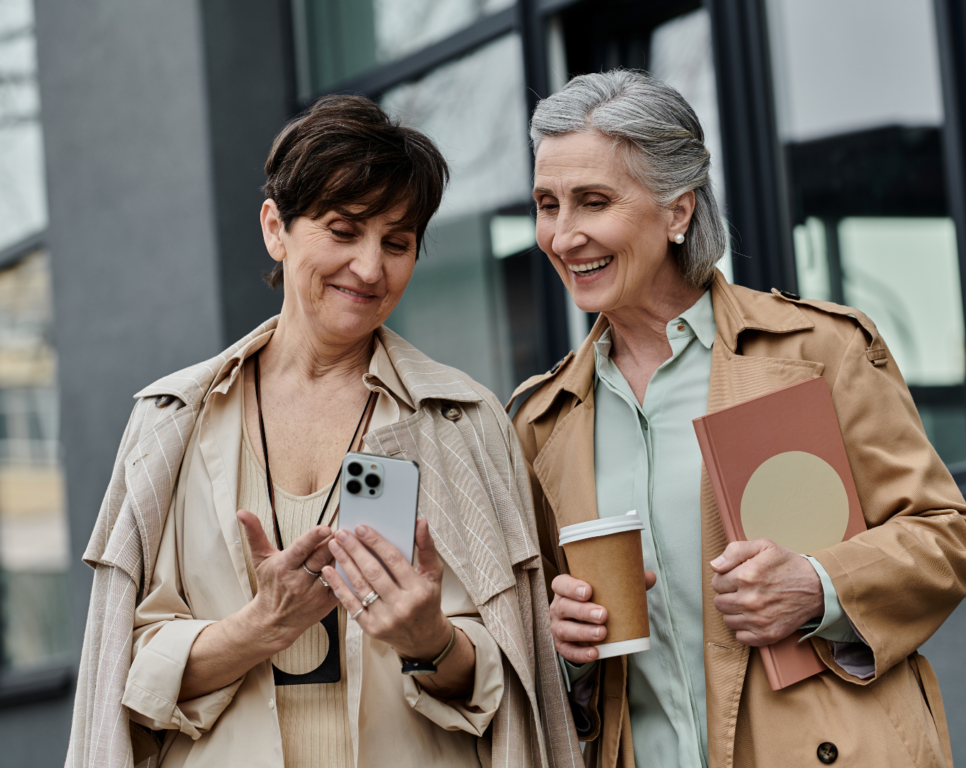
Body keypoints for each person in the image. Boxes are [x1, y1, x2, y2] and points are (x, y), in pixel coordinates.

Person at [67, 95, 582, 768]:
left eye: (396, 244)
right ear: (275, 228)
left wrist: (431, 641)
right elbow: (120, 676)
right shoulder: (173, 423)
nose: (370, 268)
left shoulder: (465, 421)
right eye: (344, 231)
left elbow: (518, 684)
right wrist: (259, 628)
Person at [510, 70, 966, 768]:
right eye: (547, 204)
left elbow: (946, 538)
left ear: (679, 212)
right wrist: (565, 648)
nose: (563, 234)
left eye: (593, 201)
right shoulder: (543, 421)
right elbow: (545, 659)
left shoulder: (818, 351)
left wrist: (818, 587)